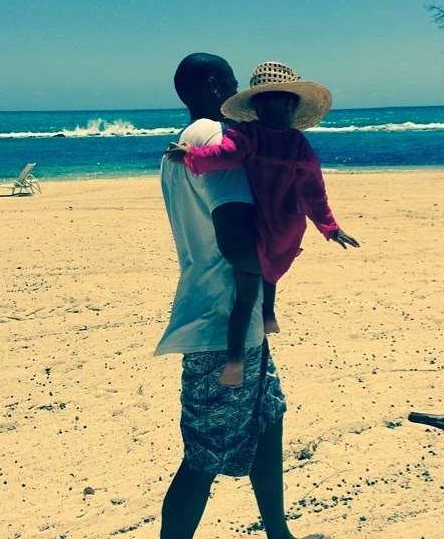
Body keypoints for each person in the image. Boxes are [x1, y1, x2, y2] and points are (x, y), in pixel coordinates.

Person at [156, 53, 329, 539]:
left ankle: (280, 533)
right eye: (230, 87)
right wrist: (272, 261)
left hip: (233, 314)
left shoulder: (184, 144)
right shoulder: (213, 138)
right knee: (204, 455)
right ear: (213, 86)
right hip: (219, 319)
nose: (238, 103)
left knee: (269, 417)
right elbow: (234, 238)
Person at [165, 61, 360, 387]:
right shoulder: (294, 142)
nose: (276, 107)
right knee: (267, 272)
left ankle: (236, 361)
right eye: (270, 102)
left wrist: (189, 156)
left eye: (278, 102)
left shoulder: (249, 134)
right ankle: (267, 316)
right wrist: (328, 226)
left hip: (266, 225)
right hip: (285, 225)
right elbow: (312, 189)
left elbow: (222, 157)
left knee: (247, 291)